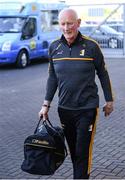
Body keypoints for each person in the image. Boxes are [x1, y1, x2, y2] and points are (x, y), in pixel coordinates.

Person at [39, 8, 114, 179]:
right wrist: (45, 105)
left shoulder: (91, 46)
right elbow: (52, 78)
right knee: (73, 151)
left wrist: (109, 100)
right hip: (65, 109)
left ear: (78, 23)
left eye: (70, 23)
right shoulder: (54, 47)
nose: (67, 28)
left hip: (87, 109)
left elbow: (103, 73)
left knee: (82, 151)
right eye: (63, 24)